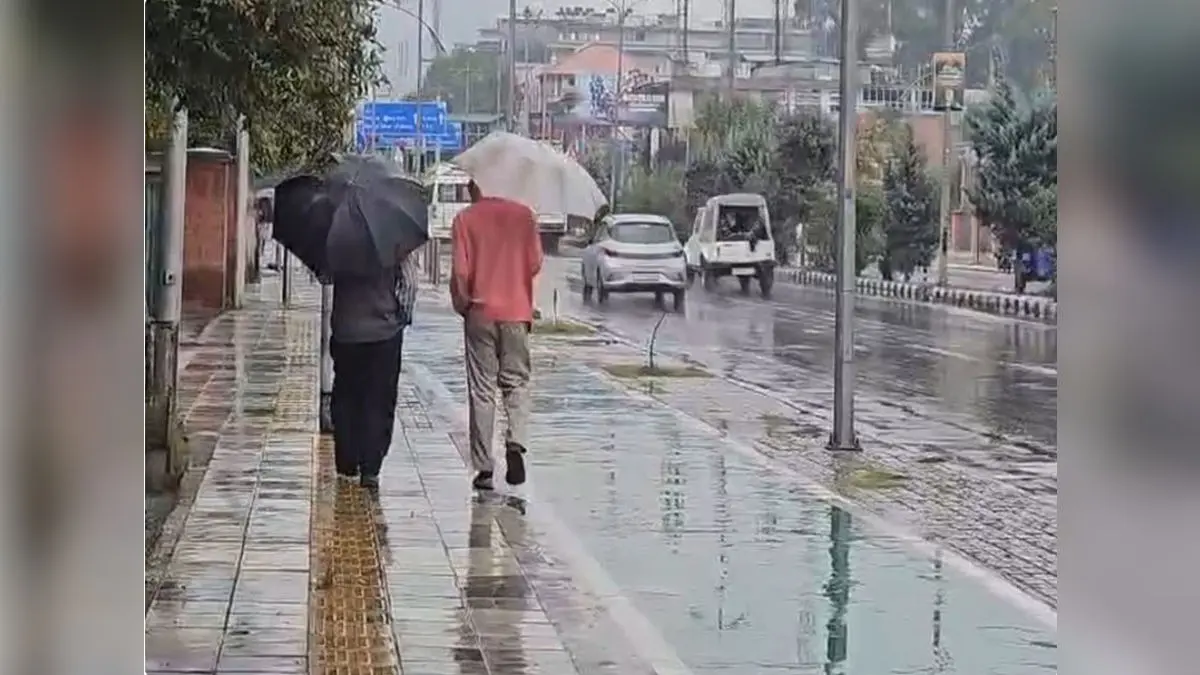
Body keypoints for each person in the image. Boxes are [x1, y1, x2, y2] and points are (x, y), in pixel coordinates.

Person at [450, 180, 543, 491]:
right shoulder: (525, 217)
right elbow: (534, 264)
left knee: (482, 390)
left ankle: (485, 467)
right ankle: (515, 441)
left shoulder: (464, 219)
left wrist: (463, 304)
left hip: (479, 312)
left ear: (476, 186)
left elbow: (461, 273)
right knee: (516, 382)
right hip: (516, 311)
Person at [329, 251, 417, 490]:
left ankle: (347, 459)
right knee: (380, 397)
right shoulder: (396, 238)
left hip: (346, 329)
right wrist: (400, 318)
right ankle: (371, 465)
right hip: (384, 332)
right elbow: (409, 284)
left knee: (346, 393)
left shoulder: (339, 237)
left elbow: (325, 276)